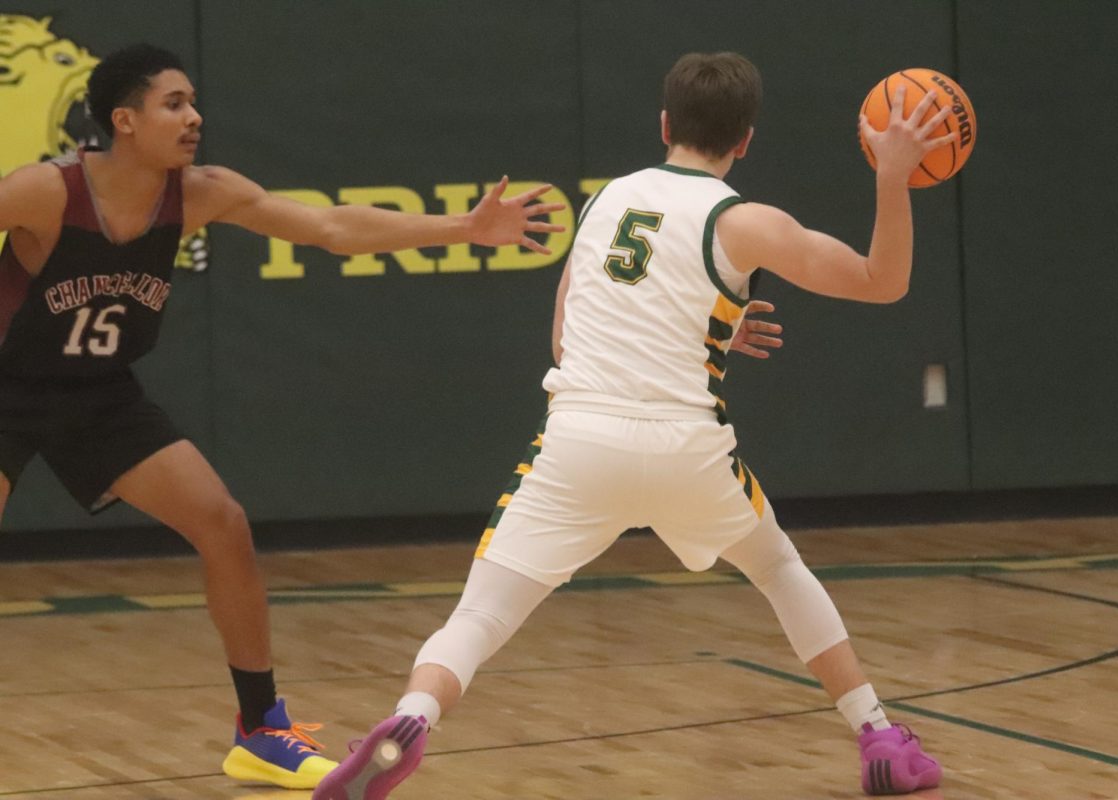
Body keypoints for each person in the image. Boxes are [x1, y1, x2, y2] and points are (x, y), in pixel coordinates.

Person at [315, 51, 951, 799]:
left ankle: (413, 717)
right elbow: (886, 281)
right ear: (746, 139)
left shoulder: (606, 200)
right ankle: (877, 734)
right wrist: (890, 175)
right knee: (778, 568)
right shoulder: (746, 221)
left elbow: (564, 339)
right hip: (687, 450)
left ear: (663, 125)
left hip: (579, 442)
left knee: (483, 611)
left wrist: (702, 324)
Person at [0, 43, 563, 790]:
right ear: (124, 121)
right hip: (7, 387)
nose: (194, 116)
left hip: (98, 393)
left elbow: (329, 228)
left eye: (194, 101)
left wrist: (462, 227)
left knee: (221, 523)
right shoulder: (46, 191)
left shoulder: (199, 193)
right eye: (174, 104)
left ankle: (260, 728)